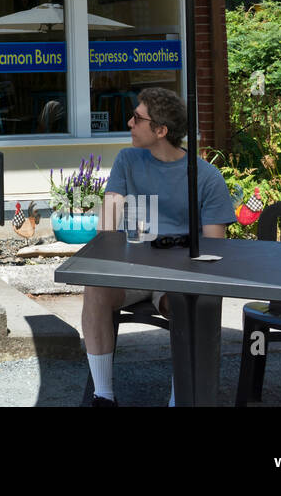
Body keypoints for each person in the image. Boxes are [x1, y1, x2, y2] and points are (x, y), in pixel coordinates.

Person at [81, 86, 237, 407]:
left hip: (179, 277)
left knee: (185, 302)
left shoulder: (206, 177)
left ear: (161, 130)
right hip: (135, 274)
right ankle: (103, 396)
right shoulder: (127, 160)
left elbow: (214, 248)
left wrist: (165, 246)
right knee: (94, 287)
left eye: (137, 118)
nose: (129, 123)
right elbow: (107, 226)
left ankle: (180, 398)